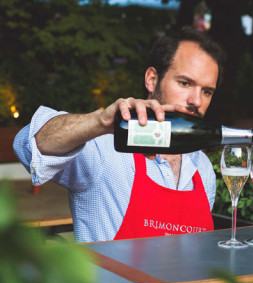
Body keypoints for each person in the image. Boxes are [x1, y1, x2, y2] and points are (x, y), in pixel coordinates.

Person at [13, 27, 226, 243]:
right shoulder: (106, 148)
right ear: (152, 79)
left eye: (206, 91)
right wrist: (99, 122)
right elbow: (29, 145)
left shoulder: (202, 168)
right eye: (185, 83)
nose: (197, 101)